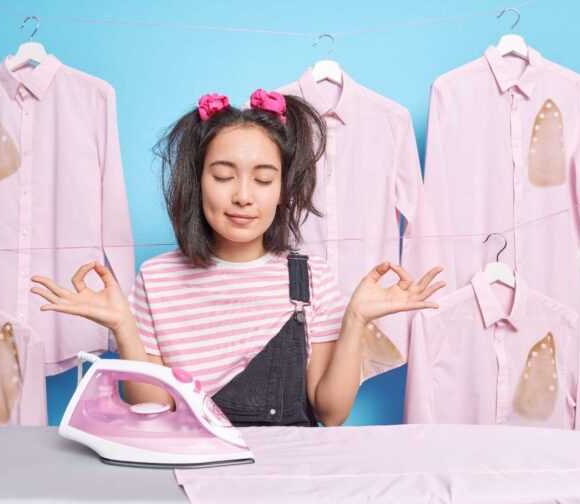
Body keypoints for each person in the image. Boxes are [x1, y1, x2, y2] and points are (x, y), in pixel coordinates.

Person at [31, 89, 444, 426]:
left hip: (287, 475)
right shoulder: (156, 279)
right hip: (193, 472)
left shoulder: (310, 277)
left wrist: (356, 318)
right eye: (224, 176)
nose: (243, 196)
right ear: (197, 181)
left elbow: (330, 414)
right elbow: (152, 408)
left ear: (283, 190)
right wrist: (123, 326)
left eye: (263, 179)